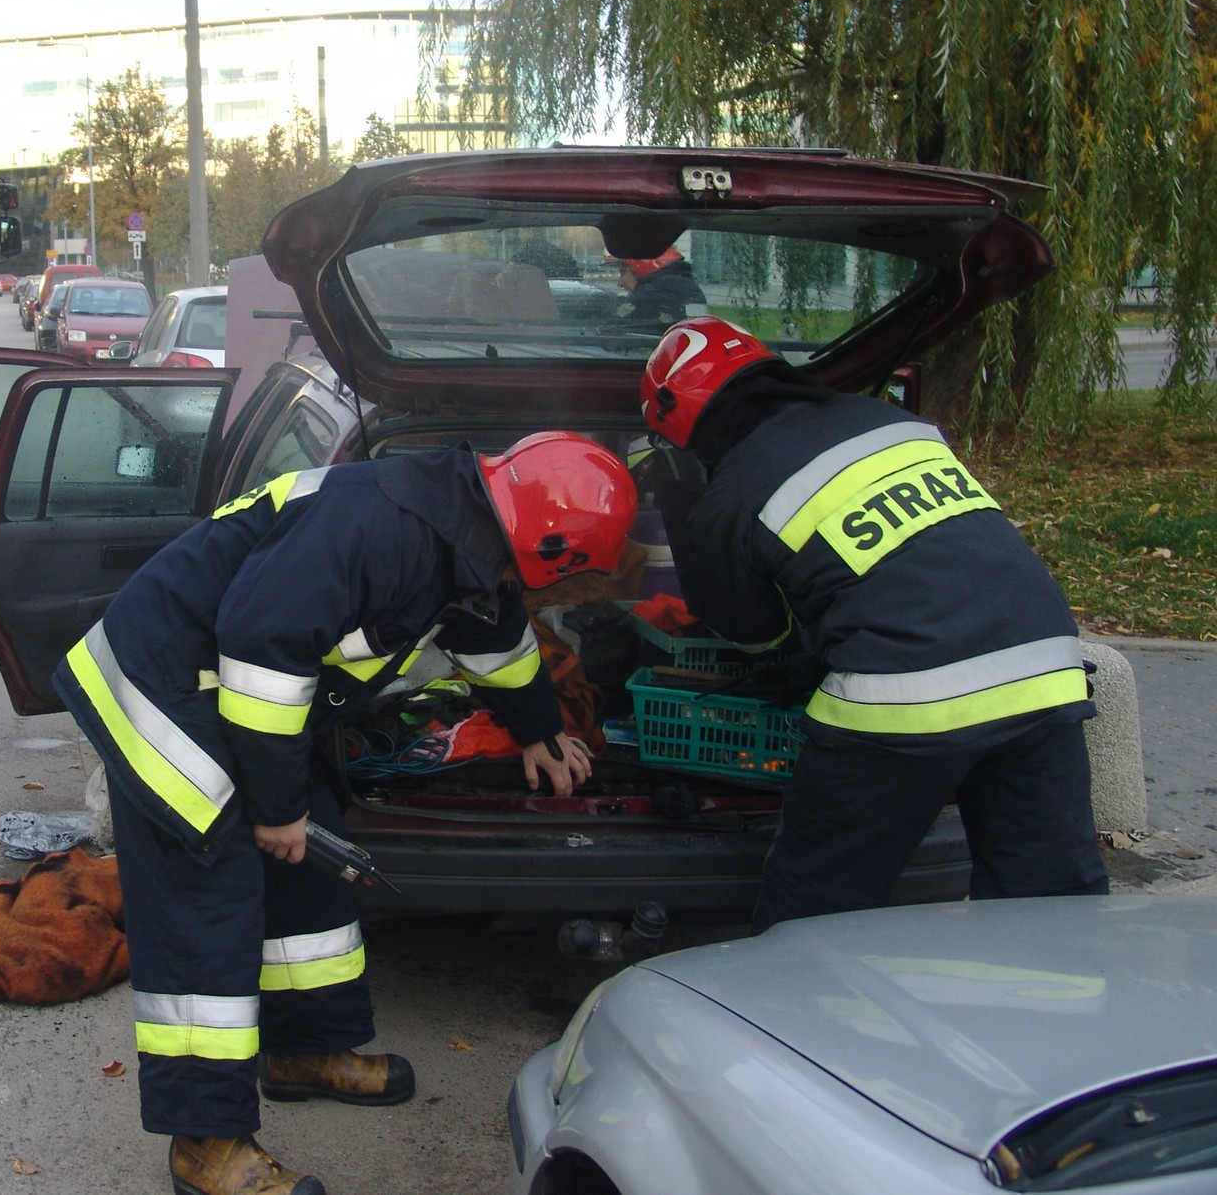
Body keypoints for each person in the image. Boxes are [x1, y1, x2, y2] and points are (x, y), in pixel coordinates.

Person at [53, 432, 636, 1195]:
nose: (568, 597)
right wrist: (273, 808)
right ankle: (205, 1145)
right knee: (208, 900)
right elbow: (262, 652)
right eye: (577, 581)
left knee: (309, 858)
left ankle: (304, 1052)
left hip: (229, 690)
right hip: (158, 685)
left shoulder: (470, 528)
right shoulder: (379, 529)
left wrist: (540, 729)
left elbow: (495, 636)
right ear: (553, 547)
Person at [637, 316, 1108, 934]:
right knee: (1050, 891)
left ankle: (791, 1015)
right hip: (1044, 666)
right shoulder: (896, 424)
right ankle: (1060, 1014)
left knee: (820, 894)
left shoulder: (732, 492)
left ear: (679, 423)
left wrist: (683, 509)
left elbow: (756, 637)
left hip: (905, 696)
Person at [608, 247, 708, 333]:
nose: (619, 283)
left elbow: (612, 325)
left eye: (622, 272)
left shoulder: (651, 295)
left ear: (639, 267)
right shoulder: (682, 286)